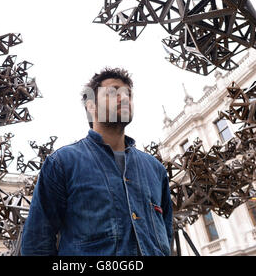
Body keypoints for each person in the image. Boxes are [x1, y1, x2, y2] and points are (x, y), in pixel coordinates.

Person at [20, 67, 173, 256]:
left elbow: (166, 235)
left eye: (128, 94)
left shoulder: (155, 169)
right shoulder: (62, 163)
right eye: (113, 92)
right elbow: (37, 241)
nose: (124, 98)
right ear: (91, 107)